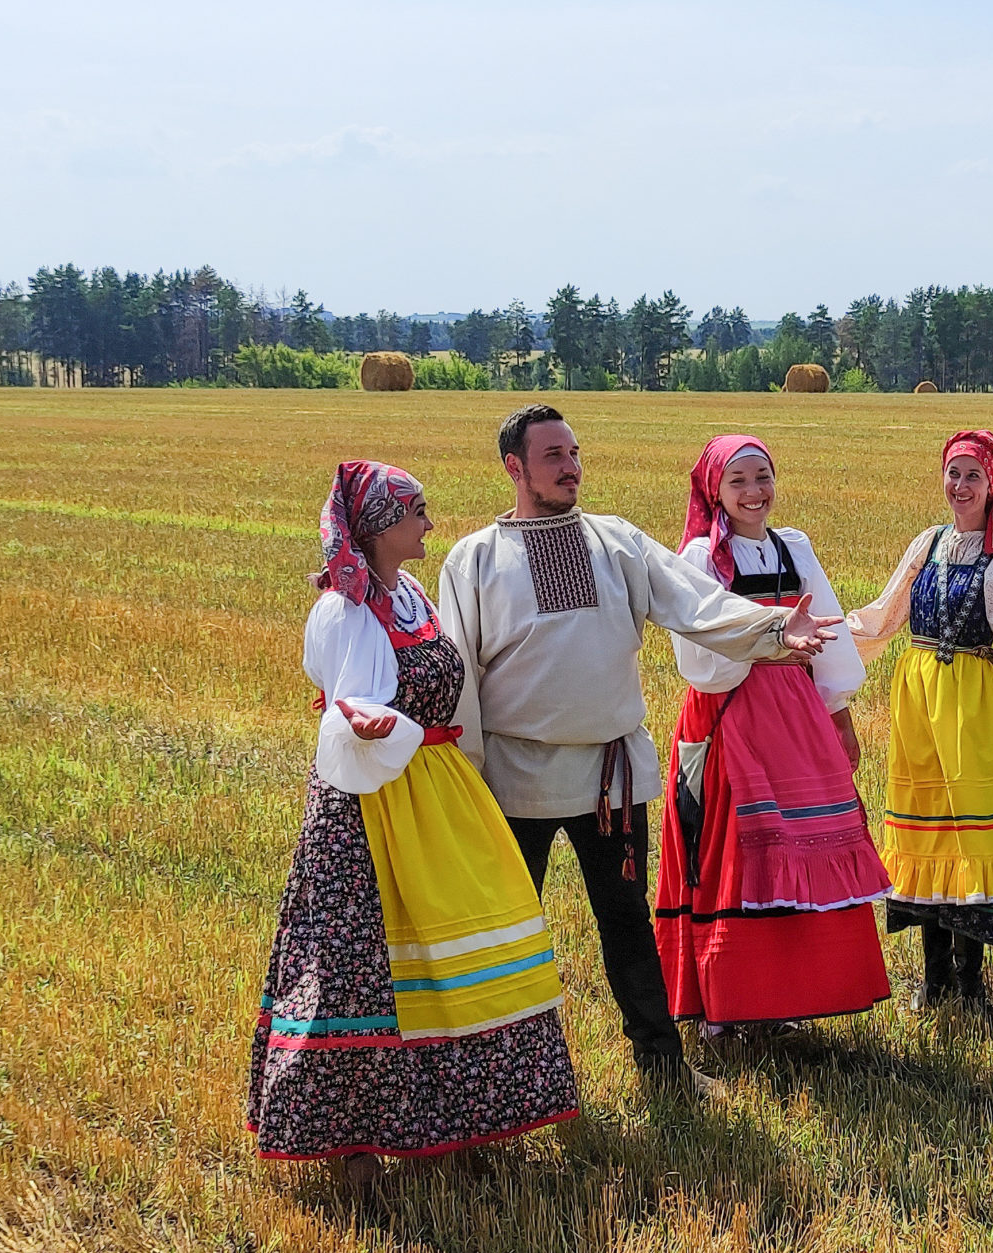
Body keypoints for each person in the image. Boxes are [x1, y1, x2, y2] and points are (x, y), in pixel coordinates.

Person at [438, 405, 836, 1098]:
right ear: (514, 466)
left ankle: (664, 1067)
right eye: (553, 455)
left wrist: (773, 626)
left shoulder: (615, 540)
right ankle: (493, 1083)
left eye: (574, 451)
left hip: (608, 775)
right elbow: (458, 679)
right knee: (504, 934)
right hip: (511, 778)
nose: (571, 465)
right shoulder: (473, 559)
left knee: (627, 927)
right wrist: (465, 778)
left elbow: (697, 603)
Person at [249, 461, 579, 1193]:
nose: (430, 523)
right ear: (377, 525)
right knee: (362, 970)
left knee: (459, 956)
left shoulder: (411, 595)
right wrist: (360, 716)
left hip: (436, 791)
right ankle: (356, 1147)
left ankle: (459, 1125)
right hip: (369, 808)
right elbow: (344, 706)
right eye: (416, 511)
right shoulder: (343, 610)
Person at [656, 435, 893, 1030]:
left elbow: (829, 629)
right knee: (735, 849)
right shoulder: (700, 559)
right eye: (737, 481)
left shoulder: (794, 547)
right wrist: (770, 639)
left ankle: (787, 996)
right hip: (732, 712)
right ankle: (729, 1001)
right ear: (715, 490)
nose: (753, 492)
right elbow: (699, 654)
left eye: (762, 477)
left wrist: (838, 712)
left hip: (796, 715)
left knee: (806, 844)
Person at [848, 430, 993, 1010]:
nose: (960, 486)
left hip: (974, 699)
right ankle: (932, 980)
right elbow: (883, 617)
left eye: (973, 475)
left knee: (971, 830)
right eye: (953, 473)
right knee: (928, 830)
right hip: (920, 698)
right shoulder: (928, 542)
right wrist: (823, 635)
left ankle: (970, 983)